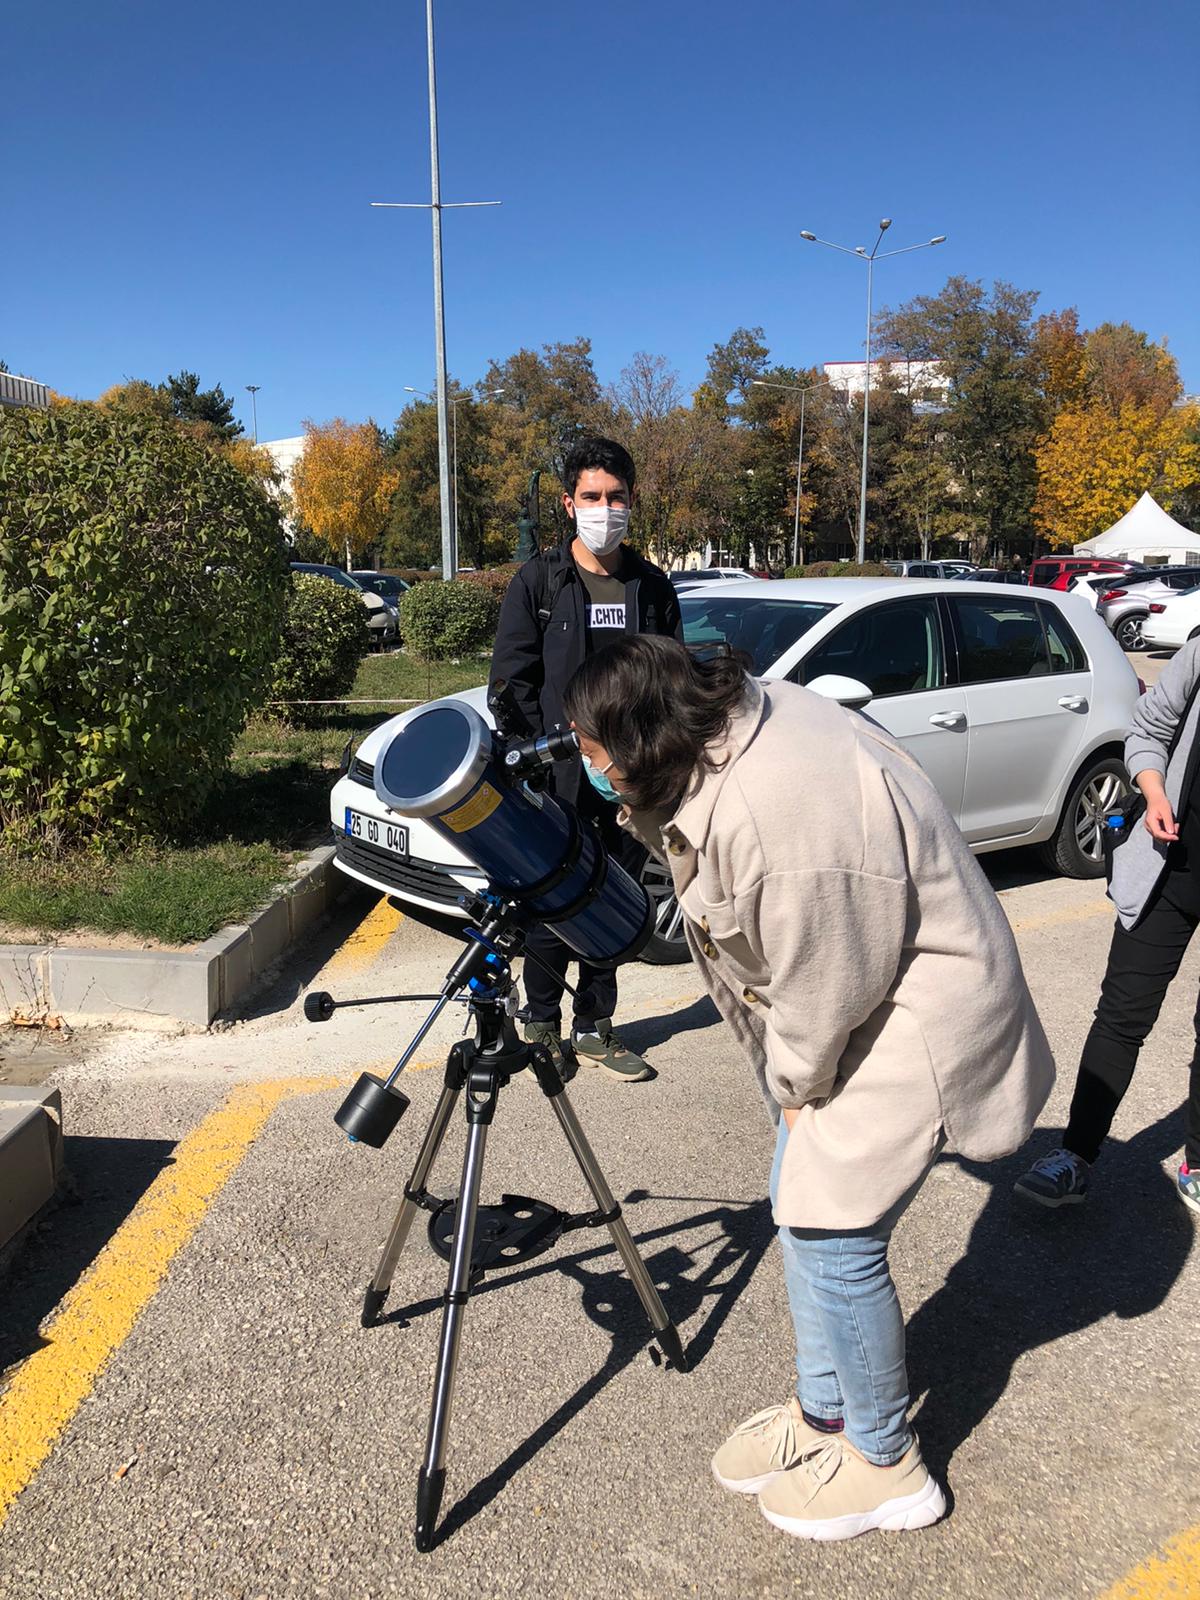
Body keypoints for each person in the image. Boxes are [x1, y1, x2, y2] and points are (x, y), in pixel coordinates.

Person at [562, 635, 1055, 1542]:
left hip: (914, 1003)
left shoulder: (777, 810)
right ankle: (824, 1413)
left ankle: (886, 1464)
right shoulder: (729, 726)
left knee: (833, 1230)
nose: (586, 765)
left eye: (593, 749)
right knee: (797, 1200)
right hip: (873, 978)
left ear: (641, 736)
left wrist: (795, 1085)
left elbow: (828, 982)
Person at [488, 436, 682, 1084]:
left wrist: (646, 763)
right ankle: (540, 1024)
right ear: (570, 504)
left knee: (614, 902)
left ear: (631, 500)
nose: (605, 508)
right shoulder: (540, 583)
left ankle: (595, 1027)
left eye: (616, 496)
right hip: (558, 781)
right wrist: (539, 757)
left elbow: (670, 683)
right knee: (551, 907)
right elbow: (511, 682)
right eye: (592, 497)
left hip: (627, 781)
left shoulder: (651, 588)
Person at [1015, 641, 1200, 1213]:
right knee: (1121, 1015)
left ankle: (1198, 1162)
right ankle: (1075, 1155)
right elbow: (1150, 728)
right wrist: (1154, 790)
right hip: (1171, 866)